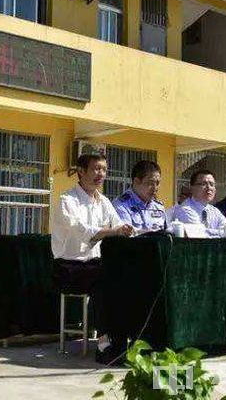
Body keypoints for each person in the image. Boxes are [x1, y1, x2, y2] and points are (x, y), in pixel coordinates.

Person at [51, 153, 134, 364]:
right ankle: (105, 342)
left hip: (94, 266)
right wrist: (113, 231)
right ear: (81, 171)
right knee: (105, 280)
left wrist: (125, 229)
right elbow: (84, 231)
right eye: (97, 169)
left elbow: (118, 224)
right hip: (69, 267)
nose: (102, 174)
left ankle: (123, 340)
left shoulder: (104, 201)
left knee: (123, 277)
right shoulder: (67, 200)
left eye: (104, 169)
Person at [112, 160, 166, 232]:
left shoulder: (158, 207)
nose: (155, 188)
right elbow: (126, 238)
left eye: (157, 183)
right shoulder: (121, 206)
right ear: (137, 181)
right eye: (150, 183)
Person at [174, 169, 226, 237]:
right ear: (192, 188)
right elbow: (199, 235)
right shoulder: (185, 209)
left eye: (212, 184)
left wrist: (207, 232)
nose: (209, 188)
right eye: (203, 184)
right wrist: (219, 233)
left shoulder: (215, 211)